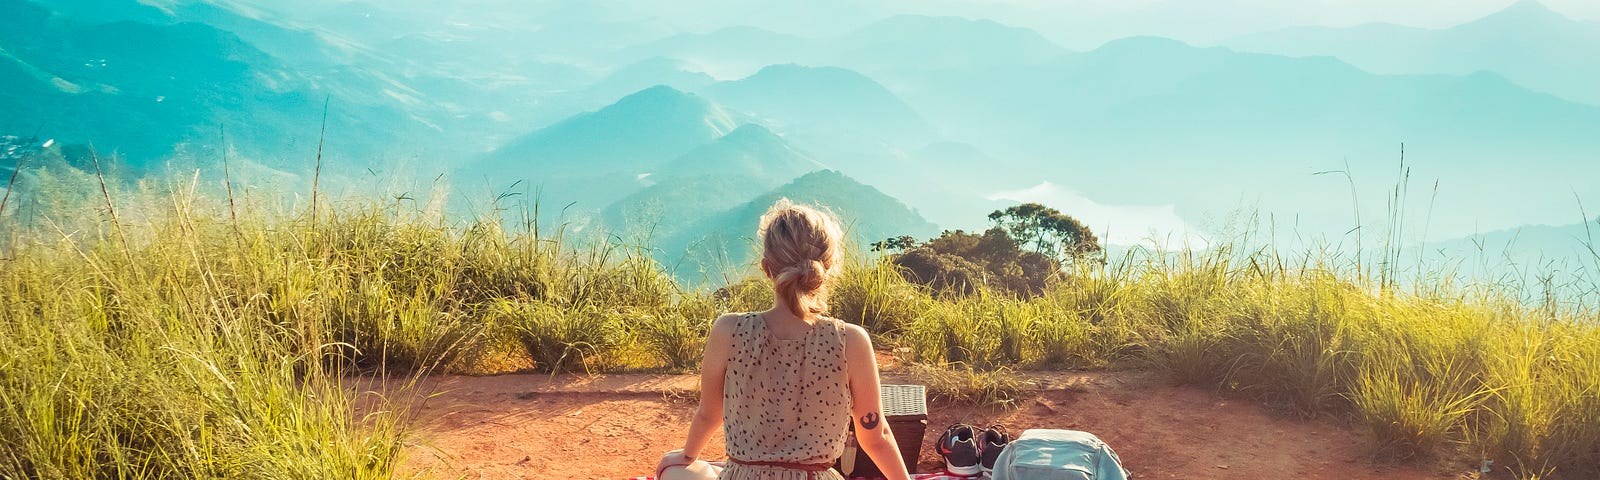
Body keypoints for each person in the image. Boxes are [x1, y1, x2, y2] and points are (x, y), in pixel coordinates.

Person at [656, 199, 912, 480]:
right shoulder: (850, 340)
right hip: (816, 475)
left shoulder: (728, 330)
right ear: (828, 269)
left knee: (679, 471)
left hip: (743, 475)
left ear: (767, 268)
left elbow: (710, 413)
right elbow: (877, 436)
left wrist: (687, 456)